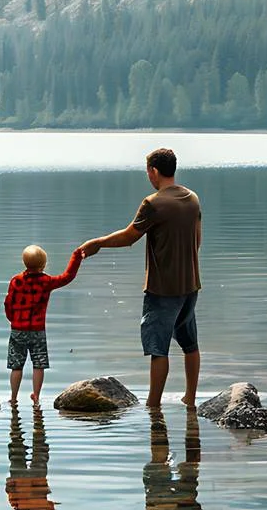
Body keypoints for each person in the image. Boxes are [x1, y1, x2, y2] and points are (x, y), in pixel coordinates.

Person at [77, 147, 202, 407]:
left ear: (154, 171)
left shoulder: (153, 203)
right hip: (190, 285)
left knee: (158, 349)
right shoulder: (192, 199)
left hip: (162, 289)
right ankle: (190, 397)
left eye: (148, 171)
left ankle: (153, 404)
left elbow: (129, 236)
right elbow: (197, 240)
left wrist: (98, 243)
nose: (148, 176)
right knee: (190, 343)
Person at [4, 244, 84, 405]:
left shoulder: (16, 281)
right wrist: (76, 257)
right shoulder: (46, 281)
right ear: (44, 264)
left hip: (18, 330)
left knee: (16, 366)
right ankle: (36, 397)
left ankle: (13, 398)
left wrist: (13, 320)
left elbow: (8, 303)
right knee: (38, 365)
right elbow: (67, 276)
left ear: (24, 262)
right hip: (37, 331)